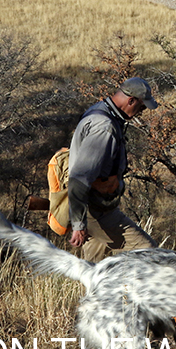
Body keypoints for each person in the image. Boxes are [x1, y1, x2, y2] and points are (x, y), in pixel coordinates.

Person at [66, 77, 158, 262]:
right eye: (141, 106)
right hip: (96, 211)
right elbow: (78, 178)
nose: (142, 111)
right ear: (131, 100)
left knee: (96, 269)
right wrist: (78, 223)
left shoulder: (100, 110)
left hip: (92, 209)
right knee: (148, 252)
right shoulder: (104, 127)